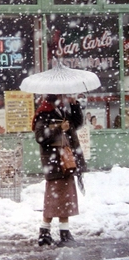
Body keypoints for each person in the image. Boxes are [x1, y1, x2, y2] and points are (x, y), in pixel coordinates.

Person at [32, 93, 86, 247]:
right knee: (57, 198)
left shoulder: (61, 110)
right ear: (55, 97)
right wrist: (58, 128)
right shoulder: (43, 112)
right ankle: (57, 233)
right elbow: (40, 136)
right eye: (63, 96)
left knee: (62, 198)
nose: (65, 99)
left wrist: (74, 104)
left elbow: (76, 123)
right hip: (55, 161)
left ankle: (51, 232)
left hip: (65, 160)